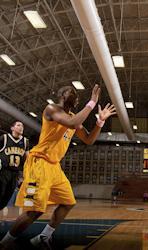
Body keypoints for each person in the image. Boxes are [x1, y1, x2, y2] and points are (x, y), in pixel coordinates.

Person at [0, 85, 116, 249]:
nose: (75, 94)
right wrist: (91, 103)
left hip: (54, 167)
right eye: (71, 91)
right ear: (61, 95)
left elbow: (89, 140)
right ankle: (5, 243)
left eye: (77, 94)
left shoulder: (73, 117)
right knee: (35, 211)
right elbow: (72, 122)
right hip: (39, 164)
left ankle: (43, 237)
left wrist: (100, 121)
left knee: (68, 202)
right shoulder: (52, 109)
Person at [0, 121, 29, 216]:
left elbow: (27, 159)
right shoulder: (4, 138)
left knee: (6, 198)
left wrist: (24, 174)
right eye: (18, 125)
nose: (21, 127)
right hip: (3, 171)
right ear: (12, 128)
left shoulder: (25, 141)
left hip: (15, 173)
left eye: (23, 126)